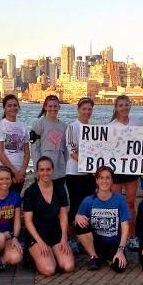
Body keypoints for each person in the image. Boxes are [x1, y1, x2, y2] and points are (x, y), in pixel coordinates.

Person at [22, 157, 75, 276]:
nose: (45, 173)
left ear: (52, 170)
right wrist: (40, 242)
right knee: (49, 270)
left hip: (55, 232)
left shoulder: (59, 188)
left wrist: (64, 238)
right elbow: (28, 222)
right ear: (37, 172)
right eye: (42, 170)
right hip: (37, 235)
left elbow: (63, 216)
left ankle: (53, 253)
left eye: (48, 169)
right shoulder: (31, 192)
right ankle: (33, 256)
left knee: (68, 266)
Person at [75, 166, 130, 272]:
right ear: (96, 180)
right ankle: (93, 257)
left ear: (112, 180)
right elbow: (77, 221)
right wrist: (77, 217)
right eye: (101, 178)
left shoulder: (120, 199)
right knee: (80, 224)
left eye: (108, 178)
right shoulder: (88, 200)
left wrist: (121, 250)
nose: (104, 181)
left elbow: (125, 226)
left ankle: (107, 259)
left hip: (114, 243)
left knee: (119, 267)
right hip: (96, 243)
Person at [109, 94, 143, 251]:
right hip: (116, 170)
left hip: (131, 169)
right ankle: (115, 236)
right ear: (116, 108)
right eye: (121, 105)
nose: (124, 108)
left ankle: (132, 236)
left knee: (130, 204)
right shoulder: (110, 126)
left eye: (126, 104)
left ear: (130, 106)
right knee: (115, 203)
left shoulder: (137, 123)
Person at [65, 98, 97, 231]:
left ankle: (84, 234)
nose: (87, 112)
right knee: (75, 205)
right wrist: (90, 166)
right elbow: (72, 152)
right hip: (74, 173)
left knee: (88, 205)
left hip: (89, 174)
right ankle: (72, 236)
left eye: (89, 109)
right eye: (84, 109)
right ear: (78, 110)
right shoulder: (73, 127)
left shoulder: (94, 128)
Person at [0, 94, 30, 195]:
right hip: (5, 171)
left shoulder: (23, 126)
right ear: (4, 108)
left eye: (15, 105)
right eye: (9, 106)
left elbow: (26, 152)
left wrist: (22, 170)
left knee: (16, 200)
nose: (12, 108)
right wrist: (13, 171)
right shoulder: (0, 126)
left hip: (20, 172)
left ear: (18, 107)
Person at [30, 95, 67, 183]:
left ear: (59, 107)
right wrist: (37, 168)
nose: (53, 109)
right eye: (50, 106)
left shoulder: (64, 126)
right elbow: (34, 148)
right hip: (43, 171)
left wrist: (66, 167)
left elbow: (66, 150)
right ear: (45, 107)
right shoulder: (38, 124)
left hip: (59, 171)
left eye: (55, 106)